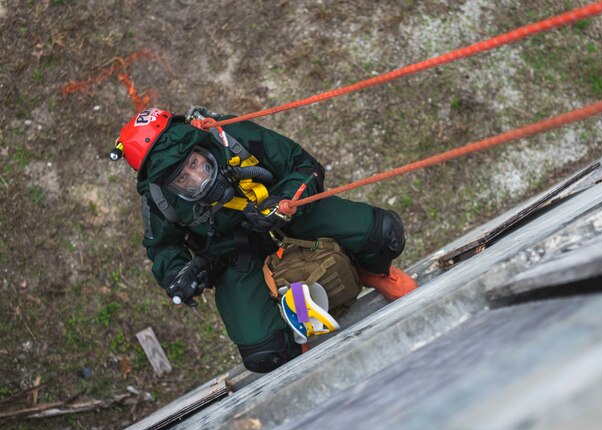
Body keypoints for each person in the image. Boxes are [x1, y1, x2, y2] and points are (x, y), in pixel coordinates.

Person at [112, 106, 417, 373]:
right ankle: (297, 340)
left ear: (199, 146)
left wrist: (283, 200)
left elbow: (304, 166)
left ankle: (369, 271)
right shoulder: (157, 196)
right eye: (182, 179)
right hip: (235, 256)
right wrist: (178, 274)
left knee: (384, 234)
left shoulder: (229, 135)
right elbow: (162, 246)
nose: (197, 179)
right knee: (265, 355)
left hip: (289, 216)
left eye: (195, 163)